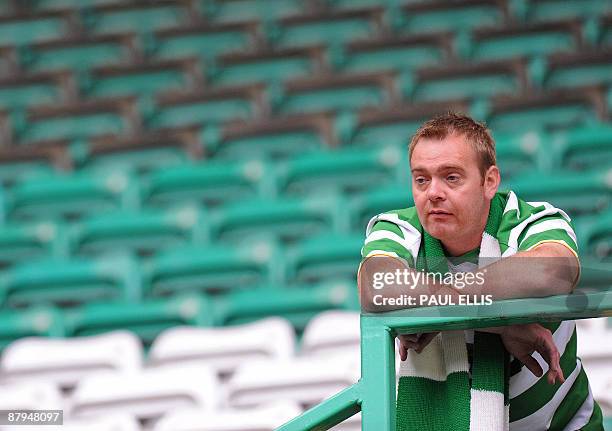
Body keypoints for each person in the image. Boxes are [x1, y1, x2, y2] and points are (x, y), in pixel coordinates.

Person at [358, 113, 603, 430]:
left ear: (489, 181)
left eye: (451, 178)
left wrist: (435, 311)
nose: (433, 192)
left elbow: (551, 272)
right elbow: (375, 284)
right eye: (421, 179)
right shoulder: (397, 226)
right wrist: (499, 324)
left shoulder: (534, 219)